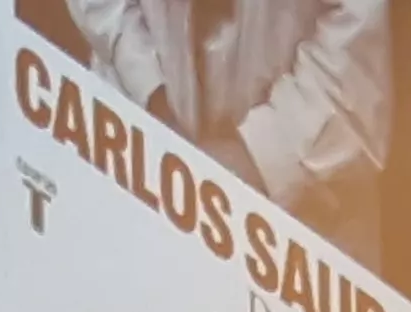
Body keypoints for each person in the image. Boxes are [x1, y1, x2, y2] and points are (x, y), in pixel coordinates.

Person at [65, 0, 391, 270]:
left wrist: (254, 156)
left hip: (300, 211)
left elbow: (356, 57)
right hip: (141, 142)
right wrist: (152, 93)